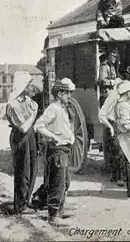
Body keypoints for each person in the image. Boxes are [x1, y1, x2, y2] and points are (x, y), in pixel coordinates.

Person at [34, 78, 76, 226]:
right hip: (57, 150)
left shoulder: (63, 108)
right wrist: (53, 137)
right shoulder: (53, 108)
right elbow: (38, 125)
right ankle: (53, 216)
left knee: (65, 182)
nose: (69, 95)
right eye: (67, 93)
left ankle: (60, 211)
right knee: (57, 183)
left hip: (65, 149)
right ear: (59, 93)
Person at [5, 73, 40, 215]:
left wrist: (33, 113)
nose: (31, 87)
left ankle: (26, 200)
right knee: (22, 171)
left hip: (30, 136)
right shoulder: (13, 105)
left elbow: (34, 109)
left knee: (33, 169)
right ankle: (20, 205)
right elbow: (23, 127)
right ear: (23, 86)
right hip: (21, 138)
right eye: (29, 84)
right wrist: (33, 115)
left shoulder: (27, 100)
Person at [99, 78, 125, 186]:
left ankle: (115, 176)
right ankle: (118, 177)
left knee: (115, 152)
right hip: (112, 124)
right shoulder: (113, 97)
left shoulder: (118, 96)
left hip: (116, 124)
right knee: (117, 151)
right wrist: (110, 126)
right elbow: (101, 115)